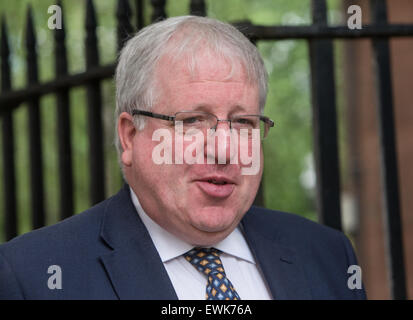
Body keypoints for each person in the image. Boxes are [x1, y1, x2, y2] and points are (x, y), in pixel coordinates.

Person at [0, 16, 366, 300]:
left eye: (242, 122)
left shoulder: (327, 256)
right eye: (192, 121)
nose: (224, 149)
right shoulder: (33, 275)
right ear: (130, 136)